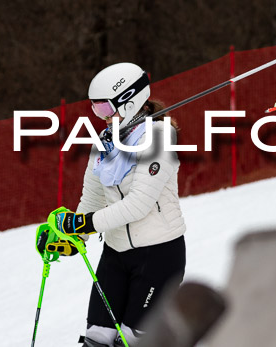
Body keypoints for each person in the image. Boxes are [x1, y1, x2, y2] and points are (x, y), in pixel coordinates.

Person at [52, 62, 187, 346]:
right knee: (97, 337)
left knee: (130, 340)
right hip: (115, 254)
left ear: (129, 103)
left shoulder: (160, 138)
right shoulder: (105, 142)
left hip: (158, 256)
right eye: (96, 110)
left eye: (105, 109)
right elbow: (92, 198)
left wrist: (85, 222)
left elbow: (139, 204)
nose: (101, 117)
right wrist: (74, 234)